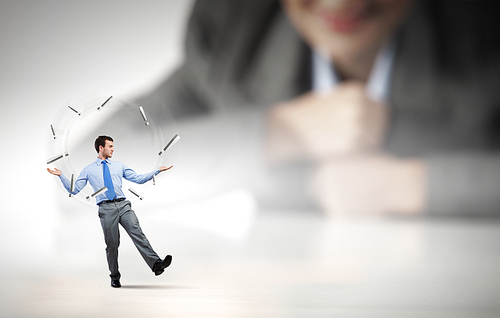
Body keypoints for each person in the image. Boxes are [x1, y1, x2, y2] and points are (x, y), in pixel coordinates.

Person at [137, 0, 500, 216]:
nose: (340, 2)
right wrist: (280, 130)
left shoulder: (482, 30)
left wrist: (411, 185)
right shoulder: (235, 41)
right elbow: (87, 168)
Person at [47, 135, 174, 288]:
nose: (113, 149)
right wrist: (61, 175)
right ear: (101, 148)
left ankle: (156, 264)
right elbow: (74, 190)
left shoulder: (119, 165)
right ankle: (114, 276)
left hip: (123, 205)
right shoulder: (88, 170)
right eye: (110, 146)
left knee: (137, 232)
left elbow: (138, 179)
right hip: (106, 209)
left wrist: (156, 171)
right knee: (112, 244)